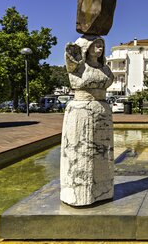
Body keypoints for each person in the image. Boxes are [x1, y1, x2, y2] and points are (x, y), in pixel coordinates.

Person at [60, 35, 114, 206]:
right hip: (81, 110)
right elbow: (71, 53)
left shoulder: (105, 68)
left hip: (102, 109)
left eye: (101, 46)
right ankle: (80, 194)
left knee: (102, 152)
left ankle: (102, 191)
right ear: (87, 47)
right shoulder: (77, 66)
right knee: (81, 152)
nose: (99, 48)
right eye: (96, 45)